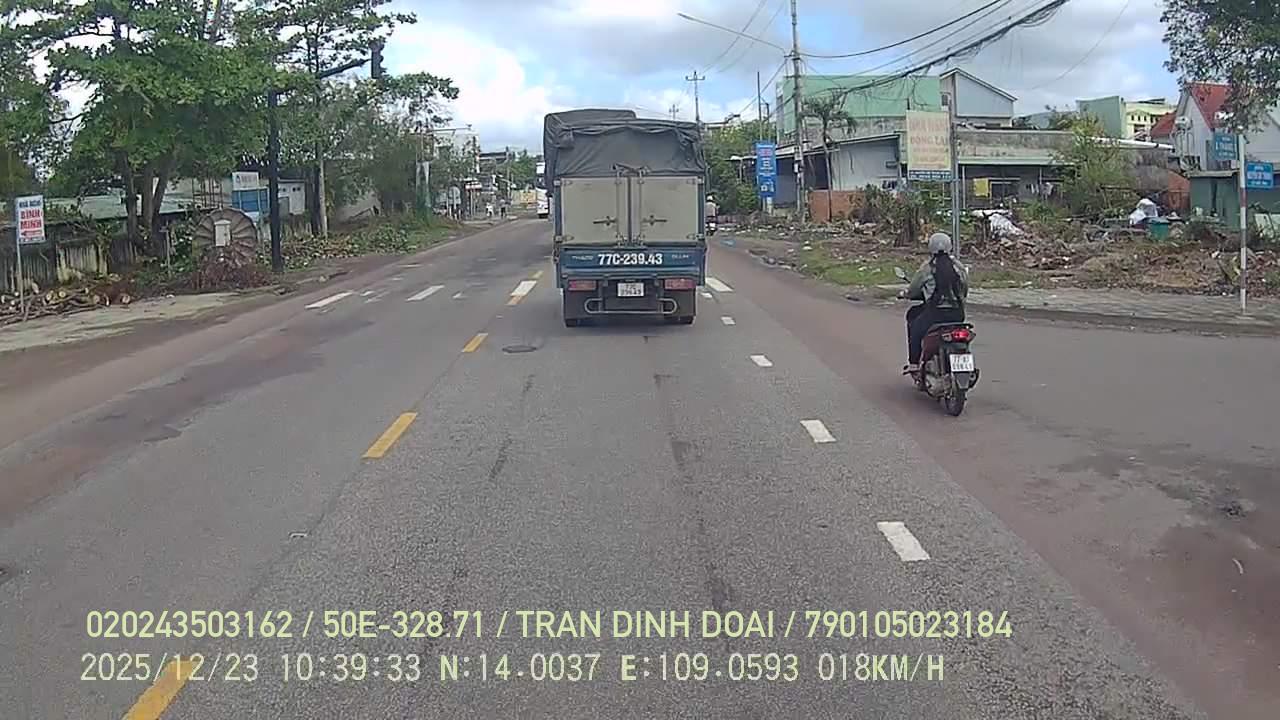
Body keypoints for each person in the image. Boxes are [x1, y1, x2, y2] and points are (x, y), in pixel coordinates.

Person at [904, 232, 968, 374]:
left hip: (935, 315)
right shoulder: (959, 267)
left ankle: (914, 363)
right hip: (957, 314)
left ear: (930, 248)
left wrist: (906, 294)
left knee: (915, 327)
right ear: (950, 246)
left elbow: (914, 289)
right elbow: (964, 289)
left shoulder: (927, 268)